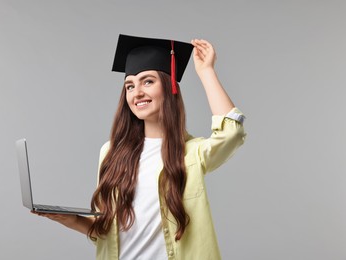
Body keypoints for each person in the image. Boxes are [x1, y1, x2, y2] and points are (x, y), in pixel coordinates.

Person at [33, 34, 246, 260]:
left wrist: (206, 72)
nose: (137, 93)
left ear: (169, 86)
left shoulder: (191, 153)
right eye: (129, 86)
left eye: (148, 81)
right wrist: (72, 220)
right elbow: (107, 233)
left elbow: (231, 132)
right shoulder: (111, 153)